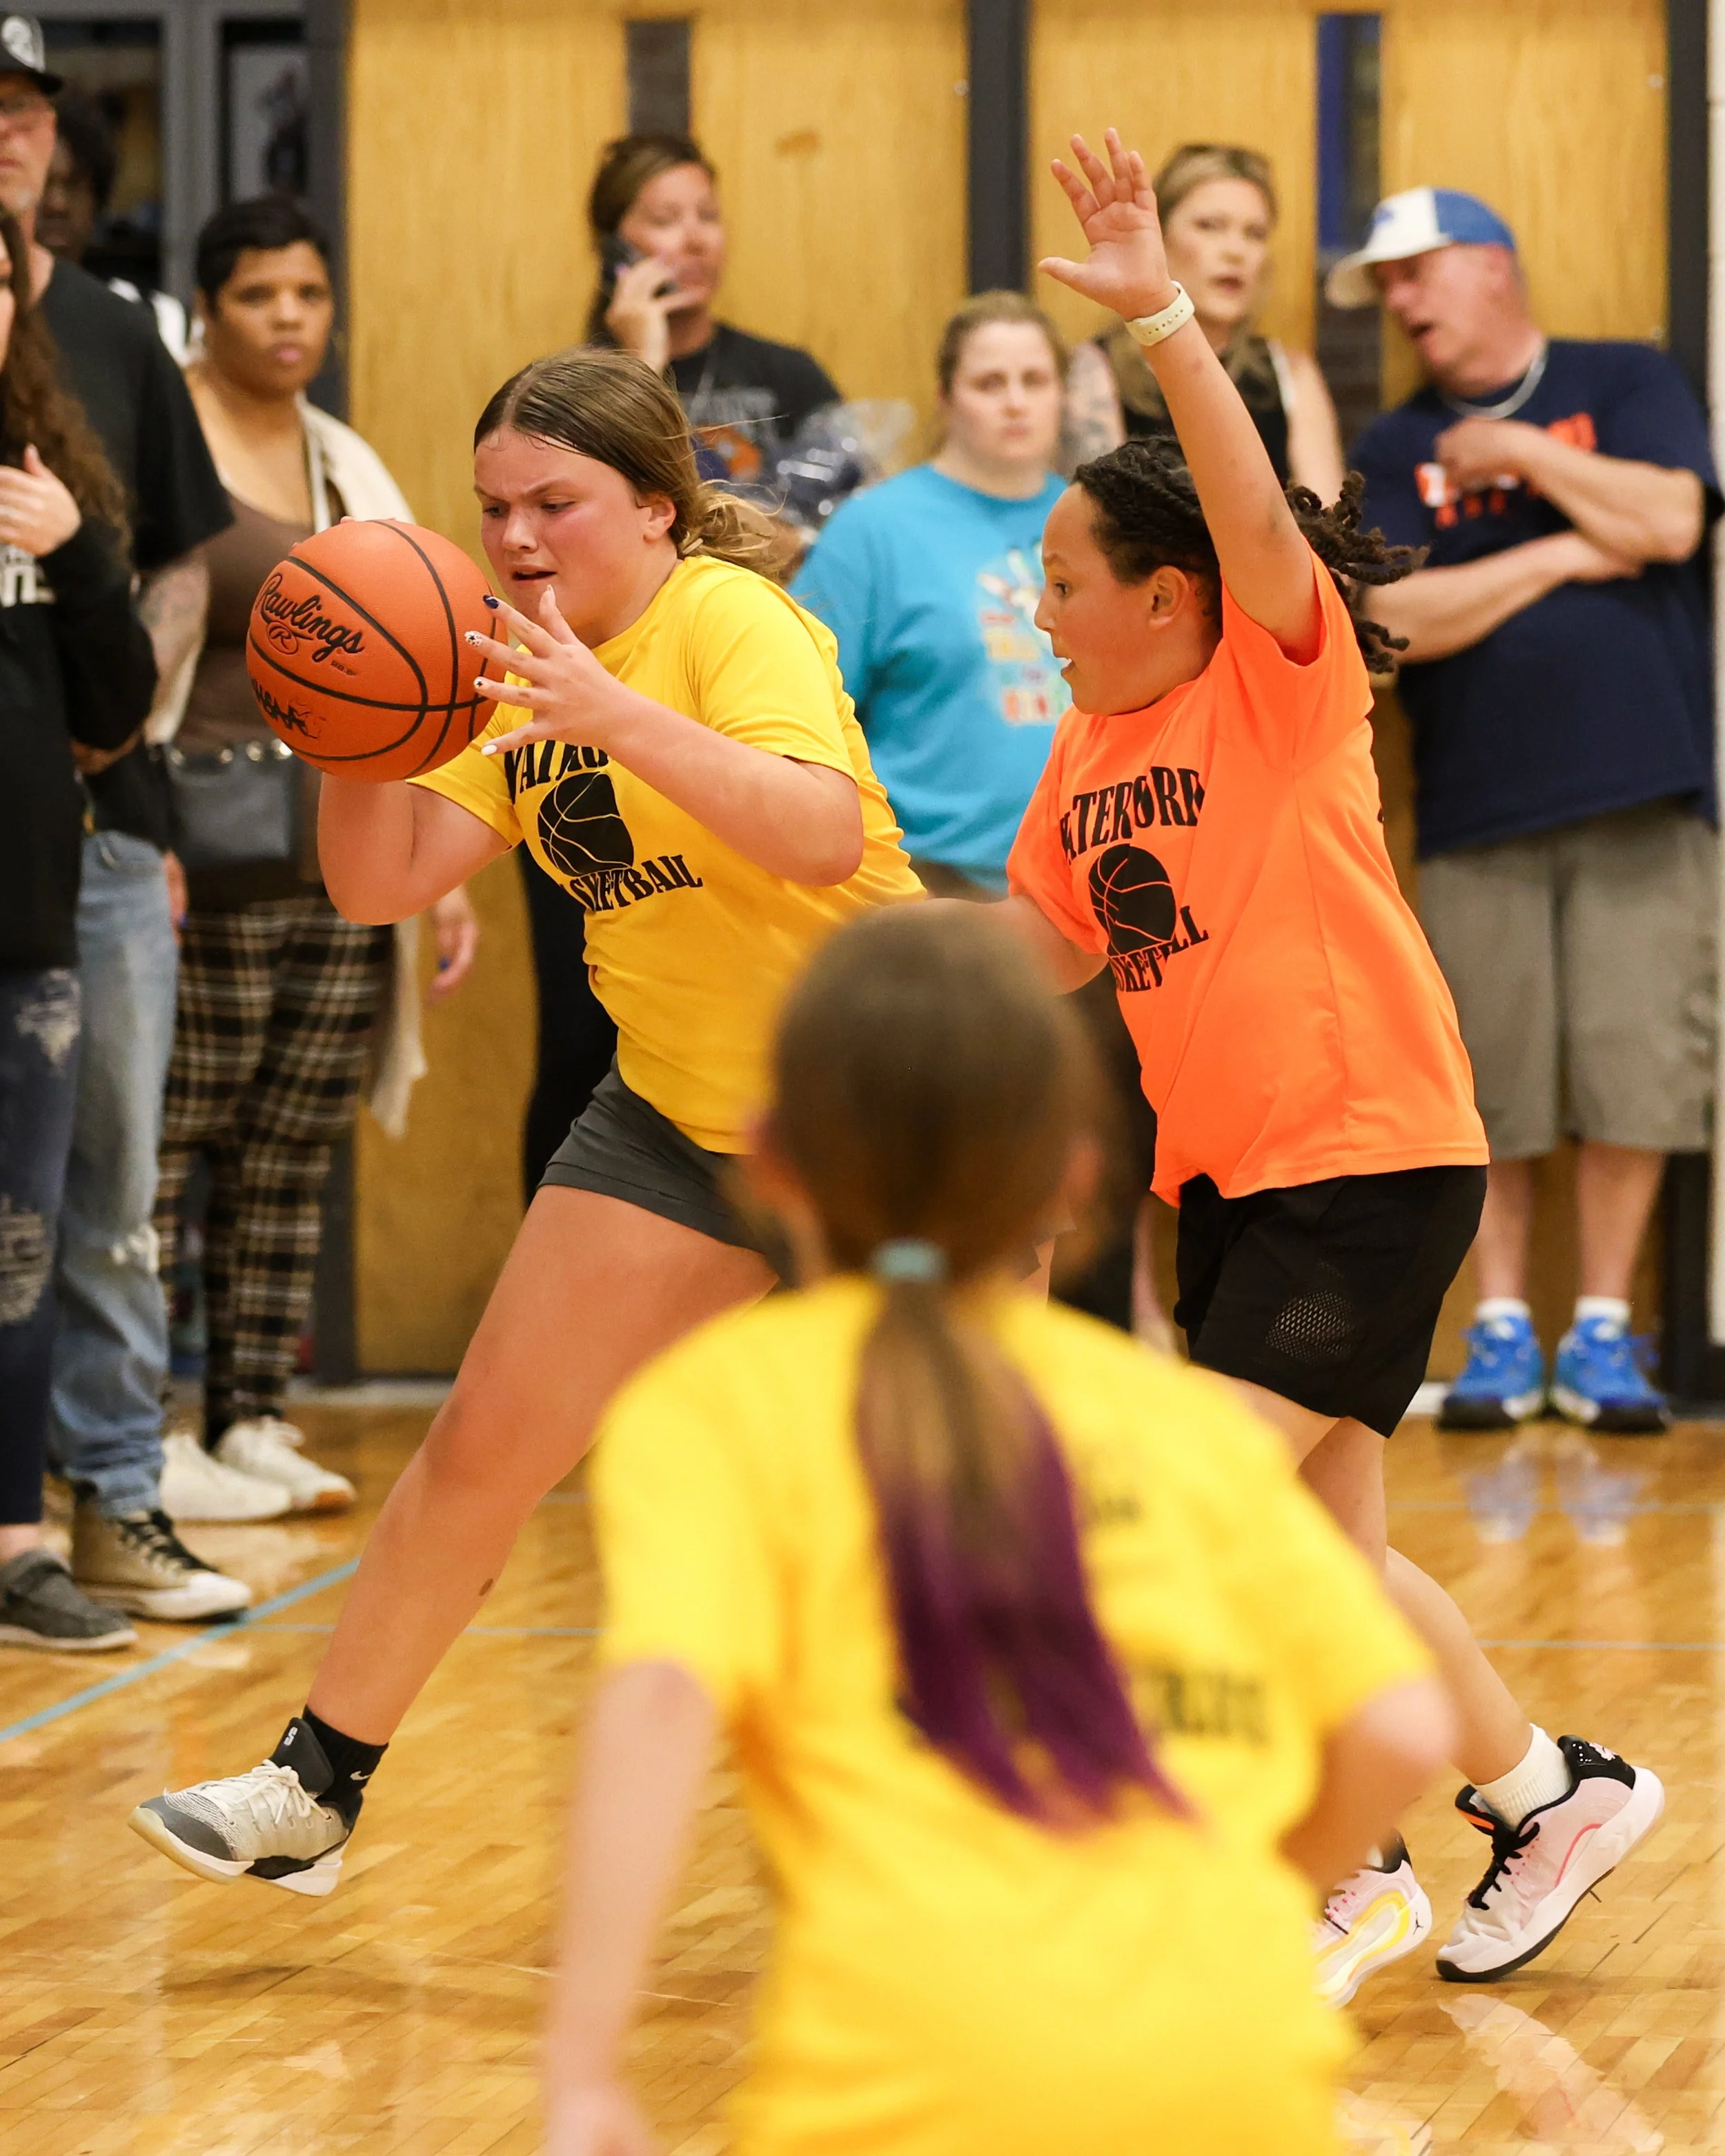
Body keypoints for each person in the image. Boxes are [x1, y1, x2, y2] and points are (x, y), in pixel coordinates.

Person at [1005, 130, 1663, 1999]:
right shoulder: (1075, 765)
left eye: (1062, 579)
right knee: (1326, 1555)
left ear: (1165, 593)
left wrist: (1161, 324)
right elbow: (1026, 956)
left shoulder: (1272, 683)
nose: (1039, 610)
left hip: (1364, 1154)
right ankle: (1546, 1788)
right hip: (1229, 1181)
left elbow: (1258, 522)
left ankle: (1343, 1862)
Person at [128, 344, 923, 1891]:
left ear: (655, 504)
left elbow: (821, 832)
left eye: (555, 500)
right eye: (494, 506)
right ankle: (316, 1786)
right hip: (680, 1119)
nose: (516, 536)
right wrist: (347, 731)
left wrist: (610, 711)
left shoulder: (723, 620)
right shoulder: (500, 658)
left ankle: (1236, 1821)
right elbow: (378, 881)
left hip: (889, 1112)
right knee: (484, 1442)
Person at [542, 902, 1449, 2156]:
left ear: (770, 1161)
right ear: (1073, 1183)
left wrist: (587, 2071)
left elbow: (655, 1704)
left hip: (913, 2083)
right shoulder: (1172, 1421)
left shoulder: (723, 1406)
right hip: (1240, 2078)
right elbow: (1401, 1725)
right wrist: (1251, 1904)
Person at [1332, 188, 1715, 1435]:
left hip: (1642, 792)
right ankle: (1501, 1328)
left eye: (1418, 274)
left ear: (1494, 266)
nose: (1402, 303)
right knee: (1491, 1076)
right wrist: (1559, 549)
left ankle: (1602, 1330)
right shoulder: (1395, 446)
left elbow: (1669, 521)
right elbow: (1396, 625)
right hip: (1477, 808)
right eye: (1387, 286)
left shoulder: (1627, 376)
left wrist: (1529, 459)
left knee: (1633, 1066)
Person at [149, 193, 480, 1525]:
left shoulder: (344, 459)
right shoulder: (163, 433)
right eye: (258, 296)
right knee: (171, 1145)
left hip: (335, 854)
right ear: (209, 308)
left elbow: (432, 664)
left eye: (308, 295)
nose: (289, 319)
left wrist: (441, 867)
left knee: (291, 1140)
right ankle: (143, 1428)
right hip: (190, 850)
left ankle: (251, 1419)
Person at [0, 15, 255, 1619]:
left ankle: (108, 1500)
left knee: (101, 1193)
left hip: (93, 812)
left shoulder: (103, 332)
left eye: (25, 112)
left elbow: (171, 564)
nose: (4, 134)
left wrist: (111, 738)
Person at [791, 290, 1162, 1343]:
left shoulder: (1096, 522)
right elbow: (808, 710)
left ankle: (1080, 1403)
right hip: (941, 894)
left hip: (1090, 893)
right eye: (989, 382)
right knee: (942, 1167)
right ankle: (922, 1387)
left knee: (1090, 1166)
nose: (1014, 403)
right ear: (949, 395)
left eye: (1033, 380)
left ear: (1063, 395)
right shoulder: (880, 530)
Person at [0, 206, 162, 1650]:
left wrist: (78, 554)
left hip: (23, 936)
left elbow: (116, 714)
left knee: (21, 1245)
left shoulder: (42, 484)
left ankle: (13, 1538)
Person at [1064, 143, 1345, 503]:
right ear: (1158, 238)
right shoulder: (1096, 370)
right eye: (1210, 226)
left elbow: (1331, 533)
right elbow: (1093, 533)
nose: (1236, 250)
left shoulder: (1290, 374)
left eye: (1254, 234)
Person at [589, 131, 838, 488]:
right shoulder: (573, 390)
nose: (696, 240)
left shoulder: (787, 373)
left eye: (708, 216)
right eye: (665, 220)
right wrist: (641, 364)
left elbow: (851, 511)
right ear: (615, 249)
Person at [36, 86, 188, 358]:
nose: (57, 205)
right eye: (41, 184)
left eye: (75, 185)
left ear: (98, 197)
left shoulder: (154, 319)